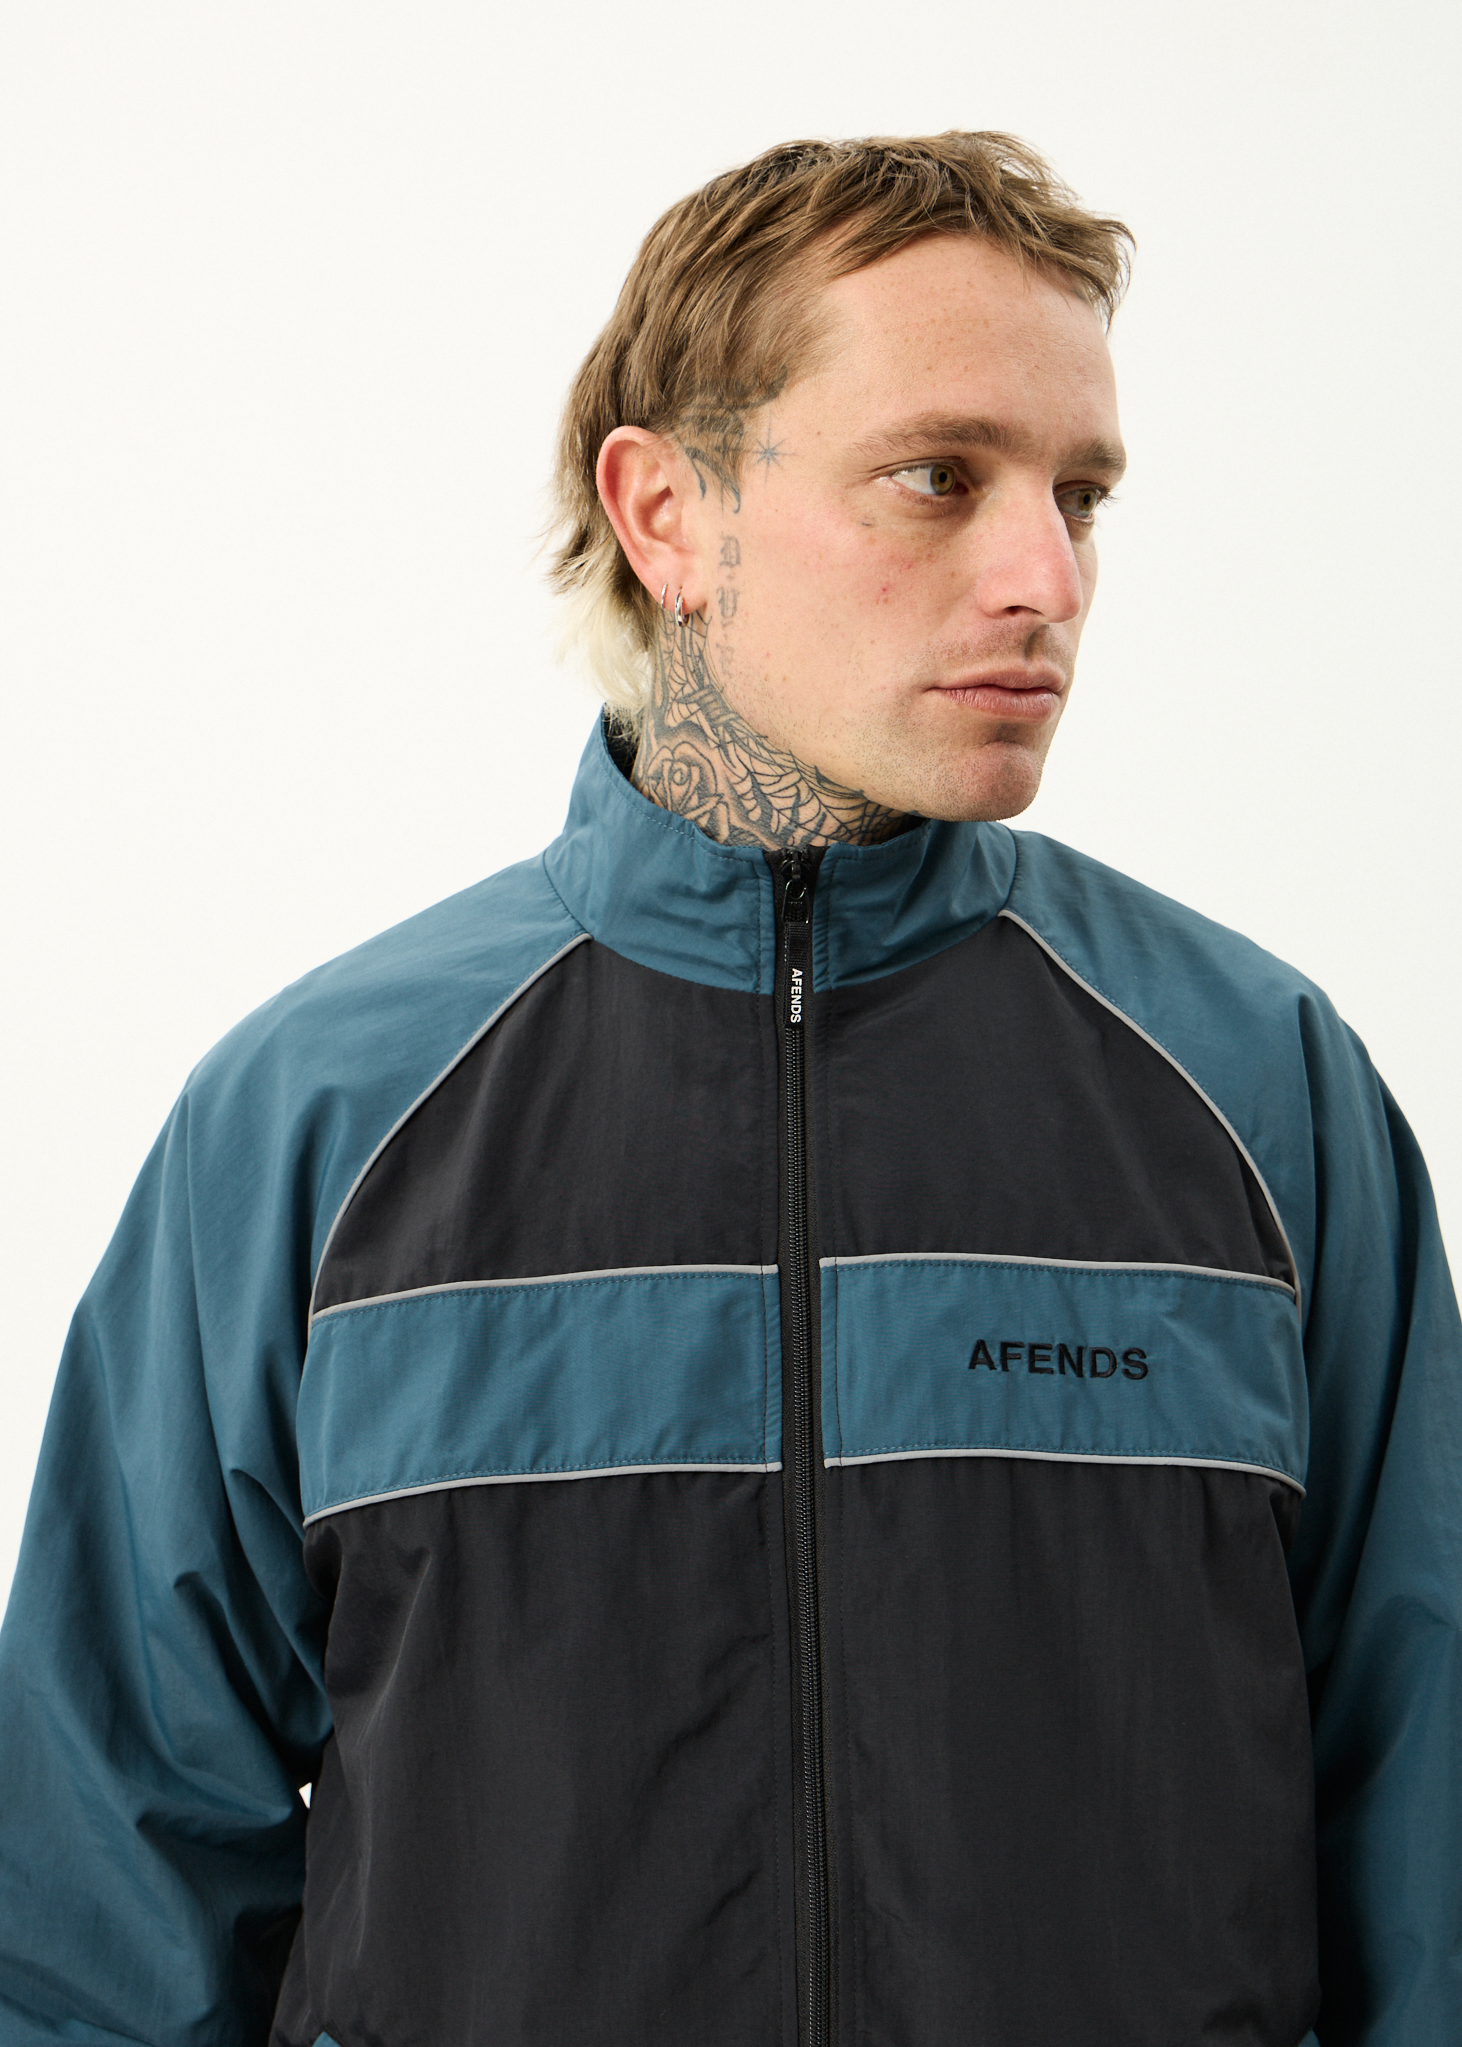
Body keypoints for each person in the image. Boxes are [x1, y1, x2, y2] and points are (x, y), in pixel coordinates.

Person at [0, 131, 1456, 2047]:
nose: (1044, 576)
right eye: (938, 477)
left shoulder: (1258, 1094)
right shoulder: (318, 1122)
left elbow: (1426, 1827)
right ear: (667, 512)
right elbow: (108, 1892)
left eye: (1079, 495)